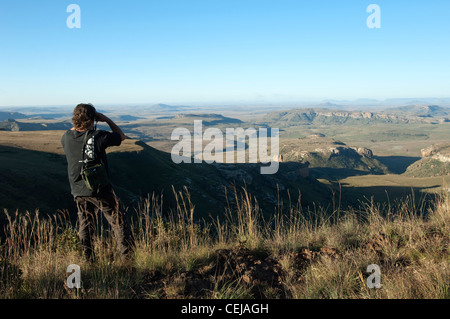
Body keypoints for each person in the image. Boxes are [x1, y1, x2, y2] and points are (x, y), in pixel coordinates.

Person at [61, 103, 135, 262]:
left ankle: (88, 260)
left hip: (78, 189)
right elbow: (120, 136)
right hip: (99, 188)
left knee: (85, 225)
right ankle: (128, 260)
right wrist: (106, 119)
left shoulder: (66, 137)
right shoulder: (98, 136)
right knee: (118, 220)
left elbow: (75, 133)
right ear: (92, 119)